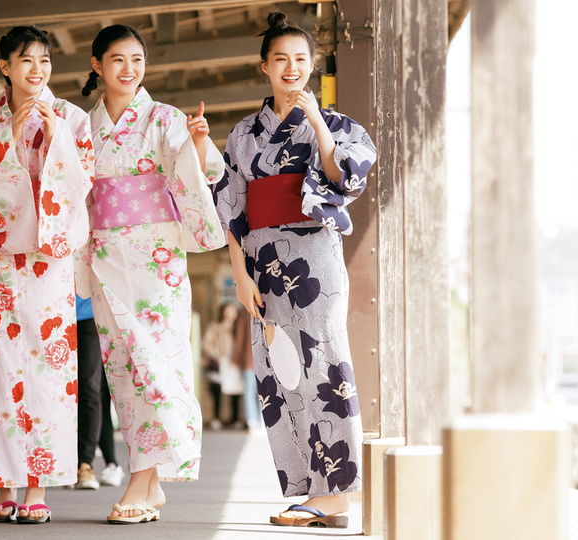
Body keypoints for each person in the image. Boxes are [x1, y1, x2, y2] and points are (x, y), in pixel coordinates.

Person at [212, 11, 377, 528]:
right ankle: (317, 493)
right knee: (279, 374)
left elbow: (341, 178)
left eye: (300, 59)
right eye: (280, 58)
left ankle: (336, 493)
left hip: (314, 262)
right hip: (261, 262)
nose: (291, 67)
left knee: (324, 364)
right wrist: (239, 274)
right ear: (264, 65)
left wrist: (320, 125)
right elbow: (231, 208)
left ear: (310, 67)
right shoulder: (243, 135)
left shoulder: (338, 124)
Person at [0, 24, 94, 524]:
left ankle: (37, 487)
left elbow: (81, 183)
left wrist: (56, 140)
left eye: (45, 61)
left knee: (50, 369)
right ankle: (7, 482)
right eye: (26, 60)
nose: (38, 69)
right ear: (5, 68)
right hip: (2, 260)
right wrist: (10, 133)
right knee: (3, 366)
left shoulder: (71, 117)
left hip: (48, 259)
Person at [79, 24, 226, 524]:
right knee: (123, 369)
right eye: (118, 60)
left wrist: (201, 143)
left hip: (155, 258)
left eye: (138, 60)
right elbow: (71, 187)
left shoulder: (163, 118)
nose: (130, 69)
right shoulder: (84, 125)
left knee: (157, 363)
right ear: (97, 65)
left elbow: (200, 172)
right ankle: (150, 482)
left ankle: (142, 480)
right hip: (104, 256)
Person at [68, 292, 124, 490]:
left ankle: (86, 464)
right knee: (65, 393)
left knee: (91, 388)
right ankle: (69, 464)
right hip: (54, 311)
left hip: (89, 313)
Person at [201, 303, 242, 429]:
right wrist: (216, 354)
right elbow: (206, 343)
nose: (230, 314)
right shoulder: (215, 326)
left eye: (233, 311)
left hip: (235, 364)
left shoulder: (239, 327)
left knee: (236, 391)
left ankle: (235, 419)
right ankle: (215, 419)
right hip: (219, 364)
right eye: (228, 311)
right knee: (216, 391)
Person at [232, 303, 263, 432]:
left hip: (249, 359)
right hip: (259, 359)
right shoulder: (267, 307)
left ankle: (253, 421)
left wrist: (237, 357)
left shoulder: (245, 310)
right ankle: (261, 422)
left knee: (250, 391)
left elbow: (239, 336)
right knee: (262, 391)